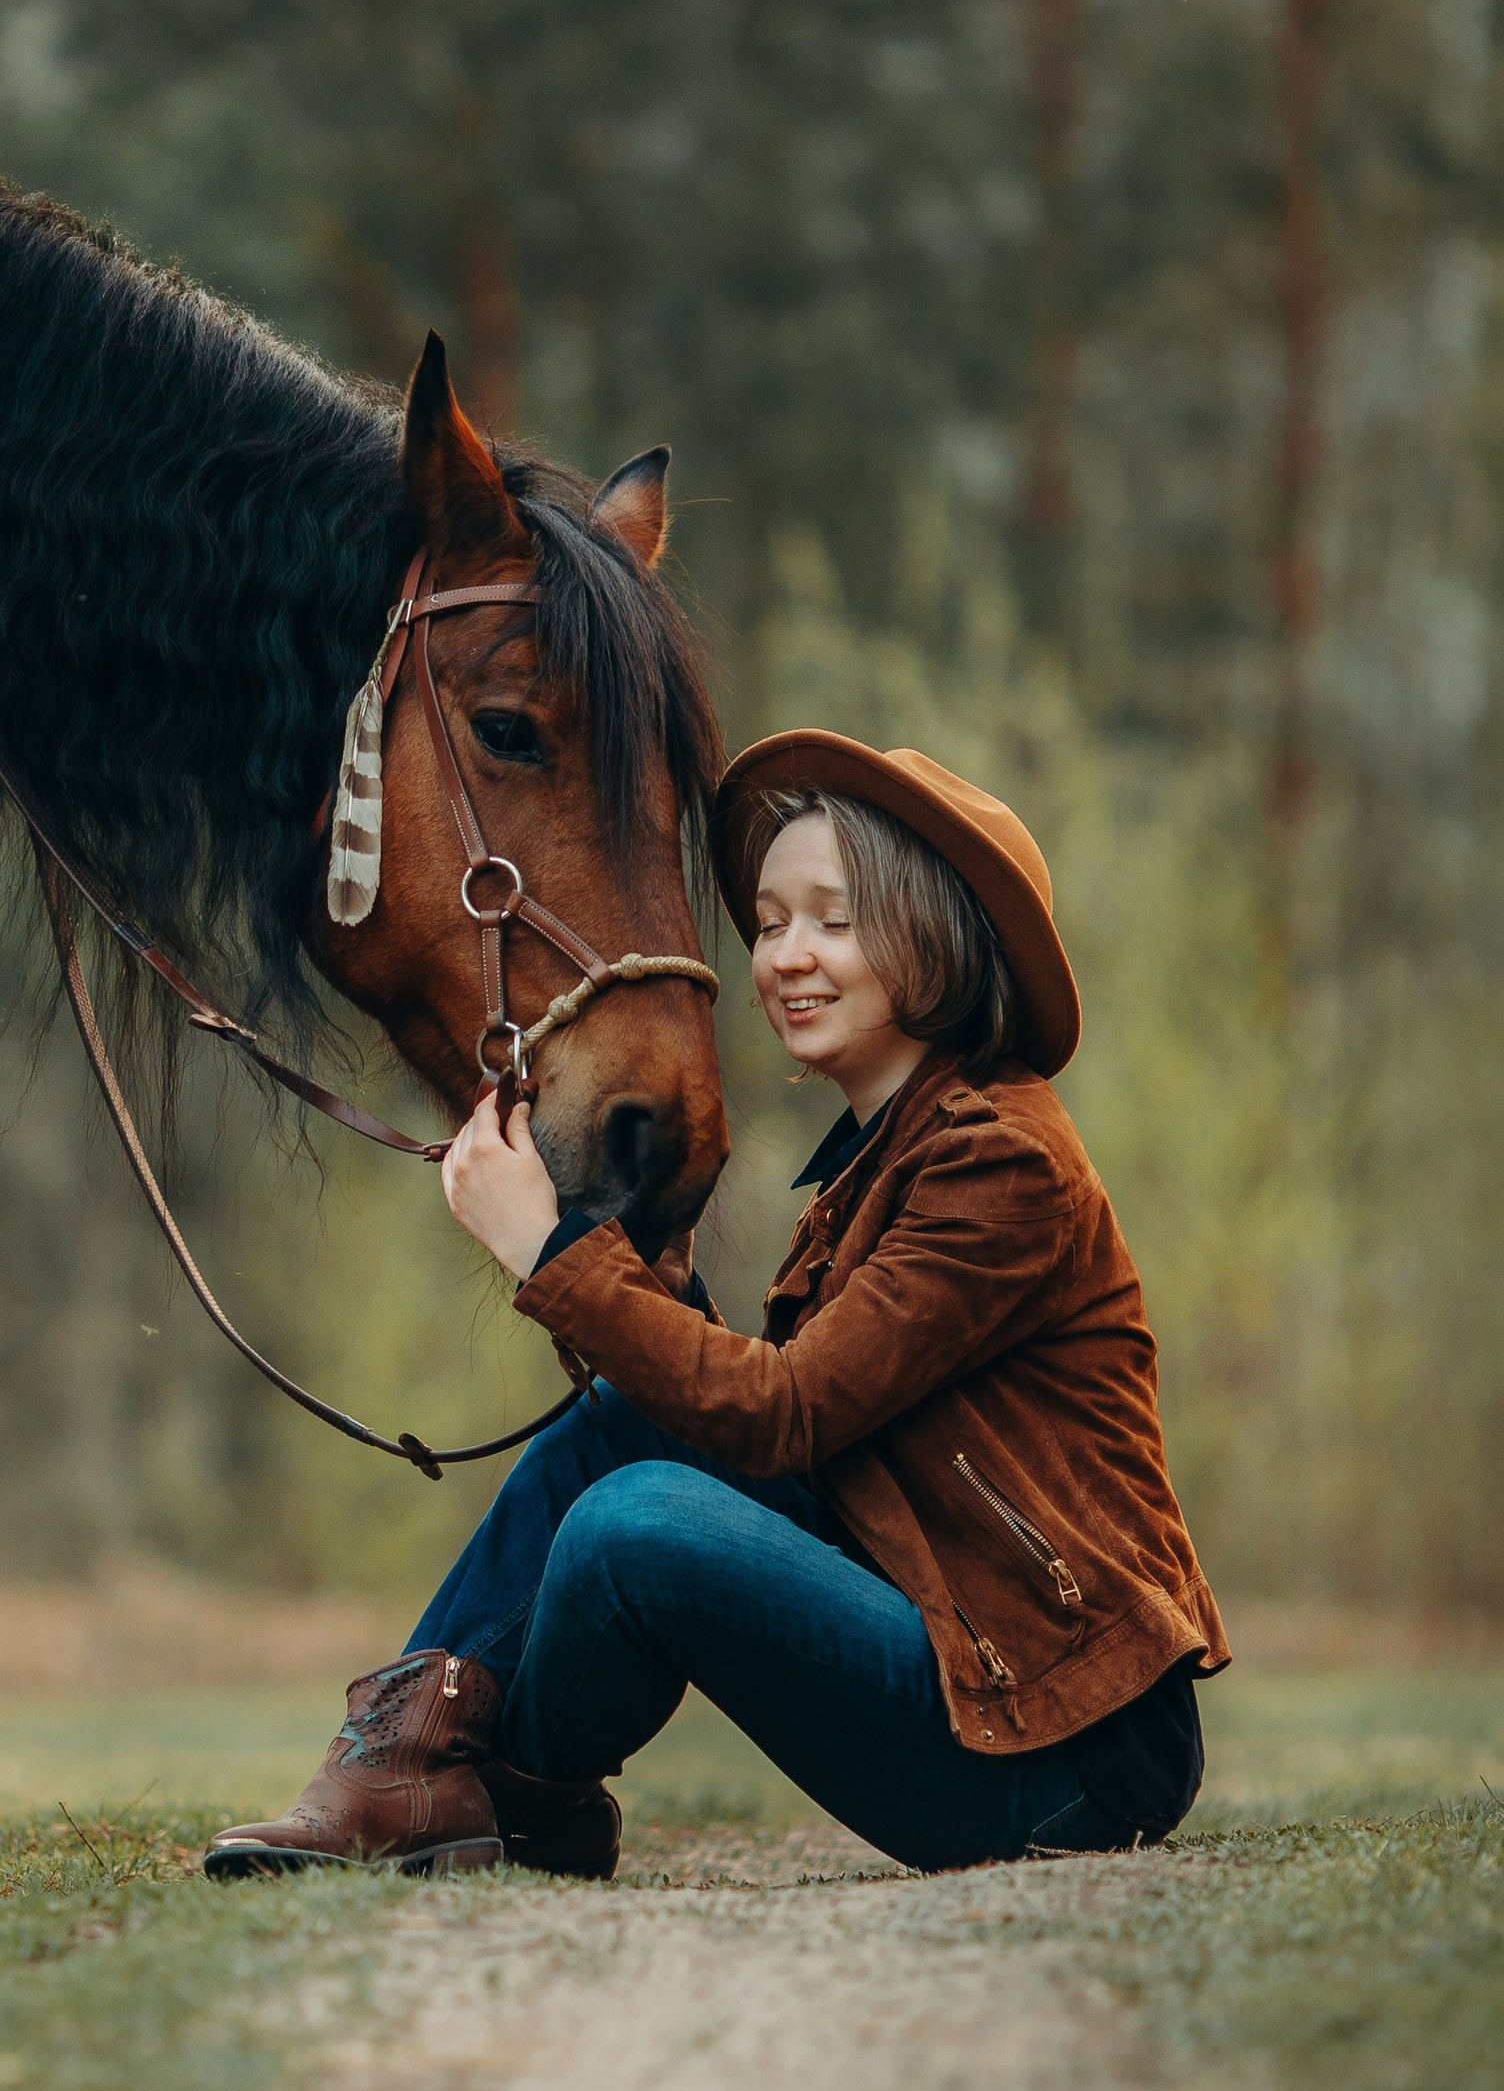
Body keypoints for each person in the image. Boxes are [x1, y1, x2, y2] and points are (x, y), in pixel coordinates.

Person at [205, 734, 1226, 1882]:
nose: (784, 955)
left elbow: (783, 1418)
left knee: (636, 1525)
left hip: (1072, 1747)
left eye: (833, 920)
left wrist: (545, 1248)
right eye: (771, 922)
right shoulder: (884, 1159)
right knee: (616, 1431)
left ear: (935, 931)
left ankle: (507, 1797)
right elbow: (800, 1437)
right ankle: (401, 1764)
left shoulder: (1000, 1161)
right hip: (969, 1662)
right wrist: (628, 1257)